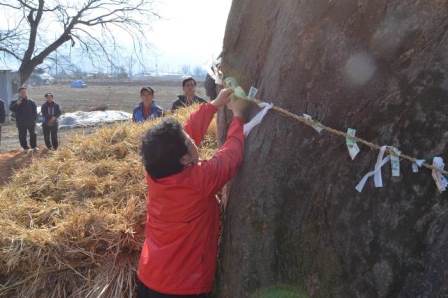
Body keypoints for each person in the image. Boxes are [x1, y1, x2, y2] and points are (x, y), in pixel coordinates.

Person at [137, 89, 245, 298]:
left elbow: (187, 132)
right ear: (184, 159)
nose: (192, 138)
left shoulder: (156, 172)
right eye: (188, 141)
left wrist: (214, 104)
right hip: (183, 287)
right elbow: (230, 158)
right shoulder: (197, 182)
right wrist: (239, 117)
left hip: (149, 277)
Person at [9, 87, 38, 151]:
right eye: (22, 92)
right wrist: (17, 104)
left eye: (24, 92)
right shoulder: (15, 102)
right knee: (22, 135)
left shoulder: (31, 101)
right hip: (21, 122)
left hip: (31, 122)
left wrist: (34, 119)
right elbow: (11, 109)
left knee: (33, 134)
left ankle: (34, 147)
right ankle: (25, 147)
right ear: (19, 93)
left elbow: (35, 112)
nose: (23, 93)